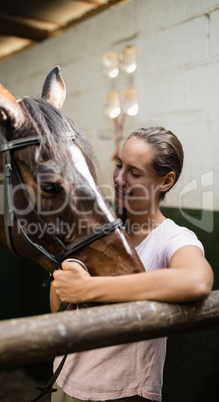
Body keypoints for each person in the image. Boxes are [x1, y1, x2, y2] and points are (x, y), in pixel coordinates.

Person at [50, 127, 214, 402]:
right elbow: (59, 310)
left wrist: (88, 288)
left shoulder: (172, 238)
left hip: (122, 392)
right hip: (63, 380)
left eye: (134, 173)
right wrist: (67, 281)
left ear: (165, 181)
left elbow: (197, 280)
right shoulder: (95, 228)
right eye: (118, 165)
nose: (118, 179)